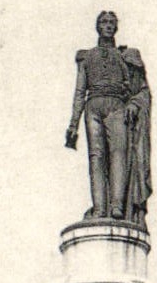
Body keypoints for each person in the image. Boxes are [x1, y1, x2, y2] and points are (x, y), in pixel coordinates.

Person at [65, 11, 152, 225]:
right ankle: (100, 207)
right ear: (97, 26)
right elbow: (79, 92)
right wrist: (73, 124)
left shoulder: (125, 56)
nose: (108, 26)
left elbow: (140, 89)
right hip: (93, 105)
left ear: (117, 27)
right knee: (96, 156)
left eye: (112, 22)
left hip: (117, 106)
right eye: (104, 22)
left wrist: (132, 104)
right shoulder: (87, 57)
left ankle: (116, 206)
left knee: (118, 154)